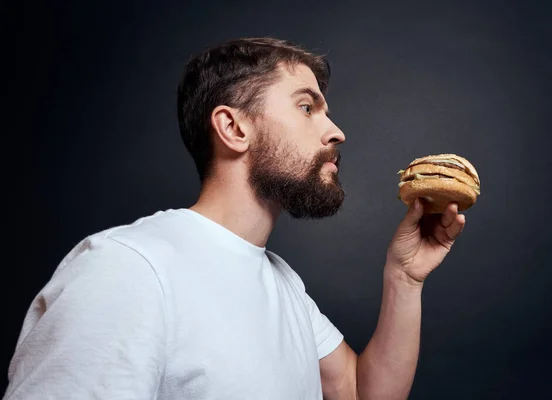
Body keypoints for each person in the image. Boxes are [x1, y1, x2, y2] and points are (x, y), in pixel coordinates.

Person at [4, 37, 466, 399]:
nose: (336, 131)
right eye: (307, 107)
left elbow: (362, 392)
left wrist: (404, 278)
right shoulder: (128, 269)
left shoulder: (283, 284)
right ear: (234, 128)